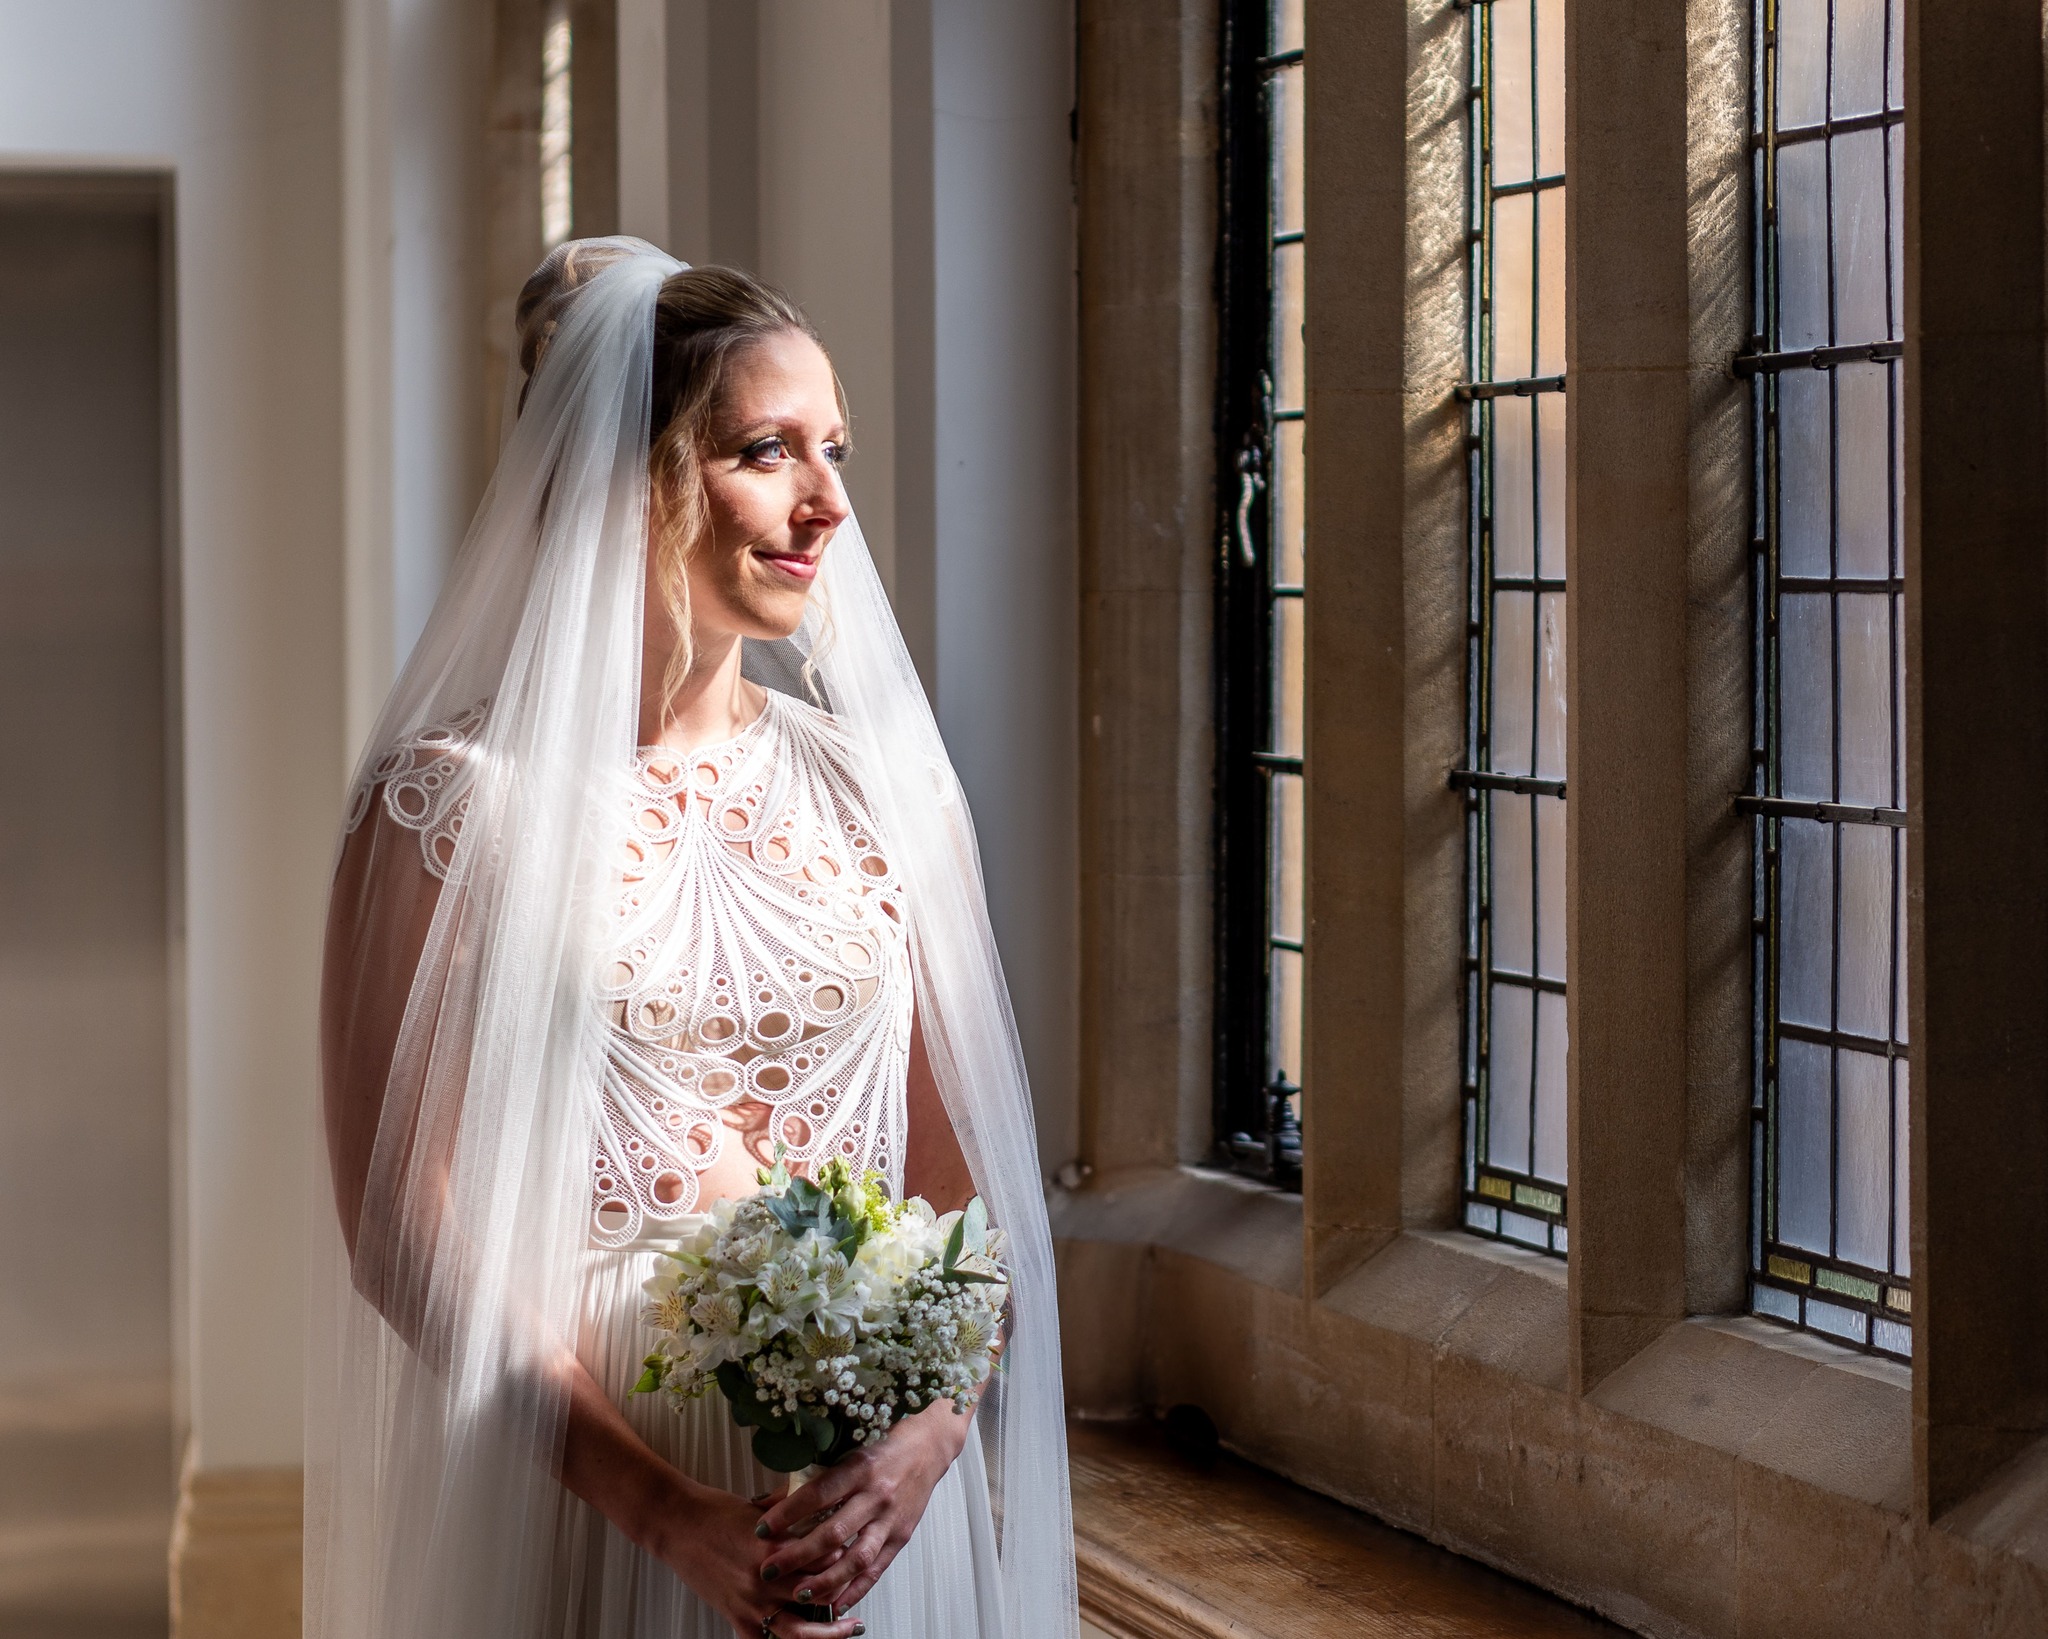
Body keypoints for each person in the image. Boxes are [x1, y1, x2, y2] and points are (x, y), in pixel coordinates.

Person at [311, 239, 1075, 1639]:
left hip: (875, 1507)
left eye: (832, 449)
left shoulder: (881, 788)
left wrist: (932, 1436)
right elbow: (400, 1229)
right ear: (619, 476)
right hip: (595, 1490)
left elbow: (969, 1184)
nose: (827, 503)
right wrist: (671, 1517)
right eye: (767, 451)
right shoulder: (446, 810)